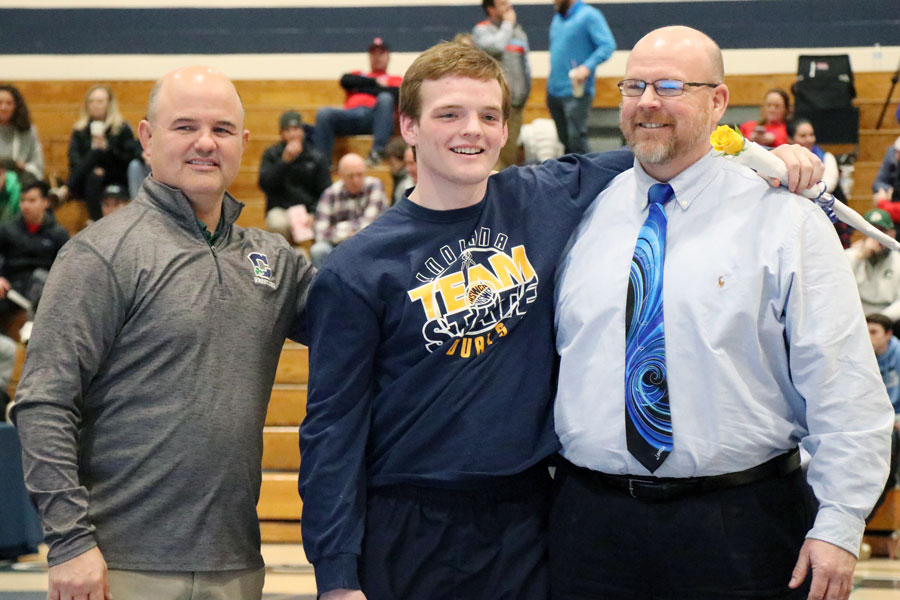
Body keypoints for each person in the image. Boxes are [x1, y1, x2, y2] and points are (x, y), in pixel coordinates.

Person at [298, 40, 821, 600]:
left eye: (489, 115)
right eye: (449, 114)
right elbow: (331, 431)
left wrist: (766, 154)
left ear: (505, 129)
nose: (471, 130)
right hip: (408, 524)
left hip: (528, 520)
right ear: (407, 126)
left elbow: (667, 141)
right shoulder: (358, 267)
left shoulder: (545, 197)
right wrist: (336, 577)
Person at [552, 26, 893, 600]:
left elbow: (843, 382)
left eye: (670, 86)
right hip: (591, 526)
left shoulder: (785, 218)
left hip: (743, 523)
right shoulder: (580, 215)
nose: (648, 101)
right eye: (634, 85)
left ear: (718, 102)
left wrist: (840, 521)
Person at [11, 65, 314, 600]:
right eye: (184, 127)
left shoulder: (272, 261)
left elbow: (371, 316)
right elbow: (44, 404)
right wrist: (69, 542)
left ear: (243, 143)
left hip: (236, 564)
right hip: (119, 565)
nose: (205, 143)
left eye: (222, 130)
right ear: (147, 139)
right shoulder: (99, 255)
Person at [313, 38, 403, 167]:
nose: (377, 57)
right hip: (350, 116)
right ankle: (322, 166)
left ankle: (377, 153)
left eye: (381, 53)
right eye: (373, 53)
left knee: (385, 98)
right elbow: (345, 80)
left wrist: (363, 88)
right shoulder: (360, 74)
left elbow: (398, 94)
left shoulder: (395, 79)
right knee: (324, 113)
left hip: (376, 119)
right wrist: (374, 83)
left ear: (388, 57)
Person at [57, 85, 137, 221]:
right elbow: (74, 160)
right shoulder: (80, 130)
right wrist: (94, 167)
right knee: (94, 174)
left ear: (109, 104)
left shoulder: (121, 128)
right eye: (91, 101)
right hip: (86, 180)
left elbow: (128, 160)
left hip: (116, 177)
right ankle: (97, 222)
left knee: (98, 153)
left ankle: (66, 189)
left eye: (99, 101)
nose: (95, 105)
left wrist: (107, 150)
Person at [547, 0, 616, 154]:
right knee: (565, 141)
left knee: (576, 140)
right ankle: (570, 175)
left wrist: (586, 67)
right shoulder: (558, 18)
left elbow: (607, 45)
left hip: (576, 91)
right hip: (554, 90)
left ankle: (588, 176)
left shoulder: (589, 16)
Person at [473, 0, 531, 169]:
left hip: (516, 103)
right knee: (497, 157)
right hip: (495, 104)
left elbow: (526, 66)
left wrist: (525, 93)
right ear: (491, 10)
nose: (509, 6)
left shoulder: (518, 33)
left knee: (510, 155)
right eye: (502, 4)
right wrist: (507, 24)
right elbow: (497, 47)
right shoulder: (482, 30)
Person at [259, 110, 332, 243]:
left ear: (303, 131)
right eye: (287, 130)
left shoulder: (316, 157)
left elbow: (326, 192)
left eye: (296, 129)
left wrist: (314, 213)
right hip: (280, 209)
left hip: (308, 210)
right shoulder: (272, 154)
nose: (292, 134)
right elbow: (265, 185)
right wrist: (284, 162)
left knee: (320, 226)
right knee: (278, 225)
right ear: (281, 134)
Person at [310, 152, 388, 267]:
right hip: (339, 246)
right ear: (341, 175)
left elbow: (369, 225)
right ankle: (327, 284)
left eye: (359, 175)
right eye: (350, 176)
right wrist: (349, 234)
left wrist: (340, 229)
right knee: (318, 250)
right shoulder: (330, 194)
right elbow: (320, 233)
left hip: (370, 242)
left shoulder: (375, 186)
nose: (356, 180)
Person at [0, 180, 68, 309]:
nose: (25, 205)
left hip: (44, 292)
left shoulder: (58, 234)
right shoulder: (7, 229)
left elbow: (65, 270)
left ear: (46, 202)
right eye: (23, 200)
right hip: (11, 289)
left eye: (31, 200)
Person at [787, 117, 851, 247]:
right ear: (790, 139)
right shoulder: (786, 160)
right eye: (803, 136)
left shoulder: (826, 157)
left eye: (811, 135)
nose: (809, 139)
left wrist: (803, 189)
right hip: (796, 214)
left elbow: (829, 184)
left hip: (828, 215)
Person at [845, 208, 900, 321]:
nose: (876, 237)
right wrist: (860, 257)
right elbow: (839, 286)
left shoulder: (898, 261)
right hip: (856, 315)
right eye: (871, 232)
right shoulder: (851, 256)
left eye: (881, 231)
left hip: (887, 317)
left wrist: (880, 320)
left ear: (892, 234)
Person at [0, 84, 44, 181]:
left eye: (8, 103)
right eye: (0, 103)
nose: (3, 108)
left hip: (20, 178)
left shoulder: (28, 130)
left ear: (16, 106)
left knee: (35, 191)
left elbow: (38, 165)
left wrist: (23, 166)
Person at [869, 313, 900, 413]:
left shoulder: (898, 354)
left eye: (873, 332)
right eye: (866, 332)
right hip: (881, 415)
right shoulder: (866, 356)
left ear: (888, 334)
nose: (868, 337)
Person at [873, 135, 900, 209]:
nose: (896, 156)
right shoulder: (892, 158)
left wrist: (882, 203)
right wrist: (889, 190)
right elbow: (877, 183)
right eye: (896, 152)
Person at [383, 136, 410, 204]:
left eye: (392, 164)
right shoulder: (398, 176)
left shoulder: (407, 183)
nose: (390, 168)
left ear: (403, 160)